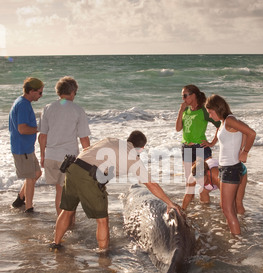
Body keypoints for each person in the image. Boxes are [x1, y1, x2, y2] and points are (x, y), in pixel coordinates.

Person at [50, 131, 181, 252]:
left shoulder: (111, 140)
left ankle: (55, 244)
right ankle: (103, 253)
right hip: (88, 176)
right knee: (102, 220)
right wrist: (169, 203)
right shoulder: (133, 157)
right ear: (141, 148)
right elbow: (151, 184)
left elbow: (86, 150)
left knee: (67, 211)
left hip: (73, 168)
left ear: (129, 140)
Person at [38, 76, 90, 215]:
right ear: (72, 92)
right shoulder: (78, 110)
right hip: (68, 158)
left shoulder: (47, 108)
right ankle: (68, 225)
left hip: (51, 156)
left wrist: (42, 156)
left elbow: (42, 136)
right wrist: (89, 158)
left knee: (59, 191)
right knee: (69, 193)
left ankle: (61, 222)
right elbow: (84, 138)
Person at [205, 94, 256, 235]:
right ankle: (238, 232)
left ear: (217, 108)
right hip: (225, 168)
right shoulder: (223, 122)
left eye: (210, 112)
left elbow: (251, 133)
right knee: (228, 207)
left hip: (231, 169)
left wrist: (244, 151)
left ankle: (237, 241)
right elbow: (244, 133)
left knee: (227, 209)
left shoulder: (229, 120)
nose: (209, 116)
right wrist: (240, 148)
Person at [9, 77, 44, 213]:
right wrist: (40, 129)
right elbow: (22, 129)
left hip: (26, 147)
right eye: (39, 93)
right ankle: (29, 208)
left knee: (37, 173)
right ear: (31, 91)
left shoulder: (23, 102)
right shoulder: (23, 105)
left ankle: (19, 199)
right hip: (21, 148)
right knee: (30, 178)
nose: (41, 96)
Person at [175, 85, 220, 182]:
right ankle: (191, 197)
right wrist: (181, 111)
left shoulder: (204, 110)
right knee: (189, 180)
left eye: (185, 96)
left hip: (200, 147)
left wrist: (212, 143)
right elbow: (178, 128)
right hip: (186, 147)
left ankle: (205, 197)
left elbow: (220, 125)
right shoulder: (185, 110)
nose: (183, 99)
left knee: (202, 180)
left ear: (193, 95)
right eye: (182, 96)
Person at [182, 157, 247, 214]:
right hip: (212, 178)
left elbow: (226, 201)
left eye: (200, 179)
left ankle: (241, 221)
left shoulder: (216, 176)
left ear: (207, 173)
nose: (199, 182)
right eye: (197, 179)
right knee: (202, 192)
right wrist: (183, 211)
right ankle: (207, 212)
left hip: (237, 172)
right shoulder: (192, 177)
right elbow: (188, 196)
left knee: (236, 201)